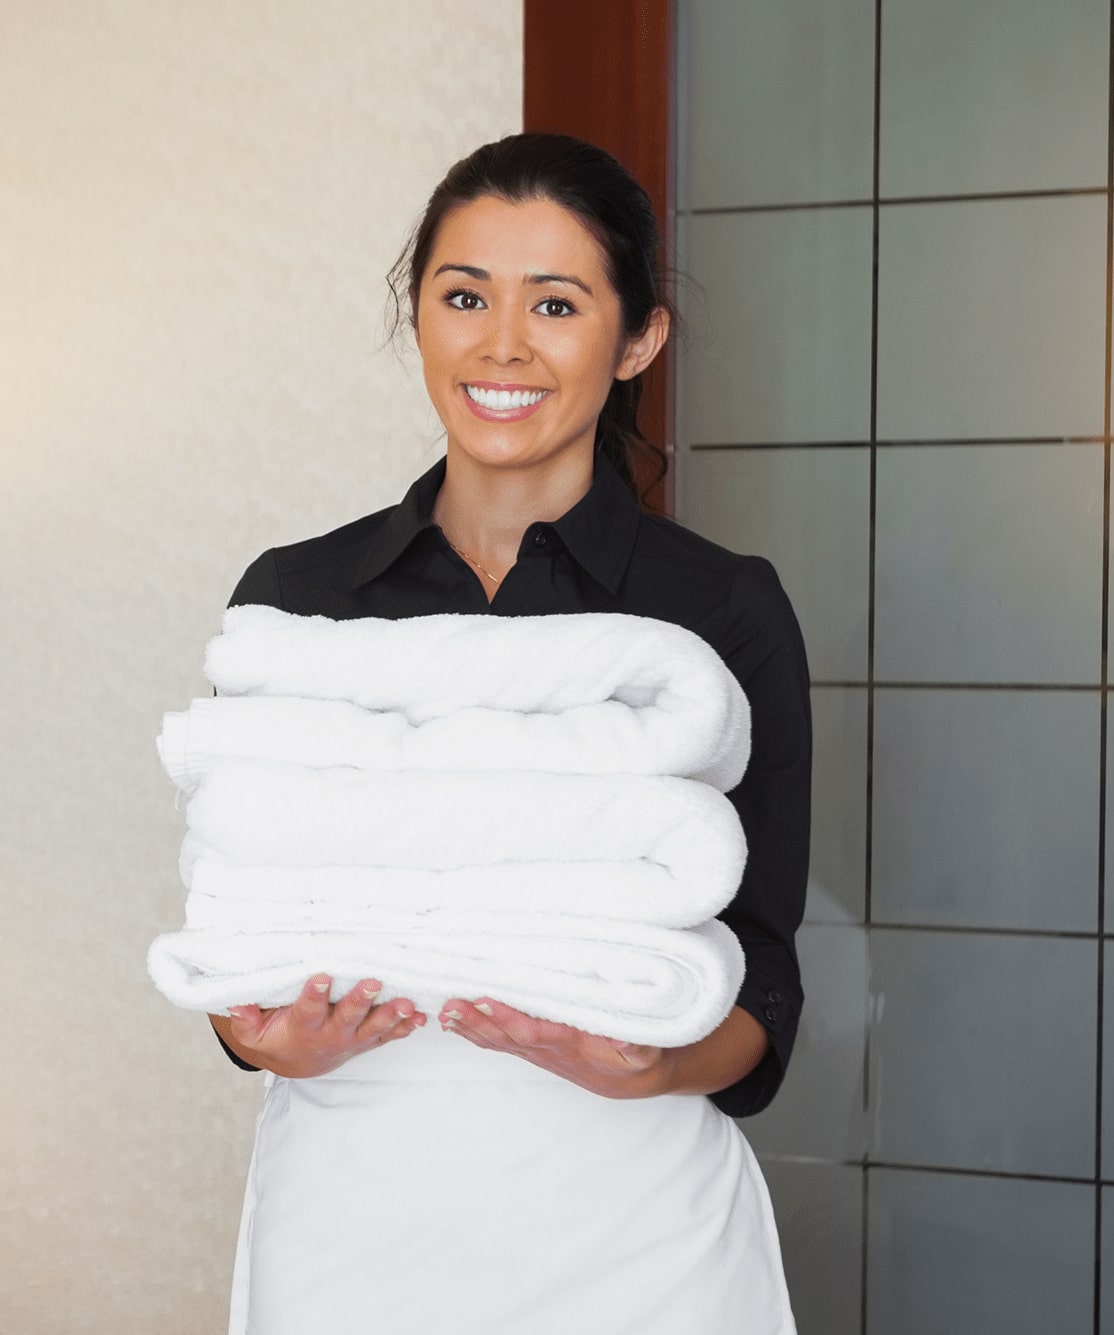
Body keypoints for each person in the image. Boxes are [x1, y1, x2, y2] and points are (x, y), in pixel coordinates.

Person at [201, 131, 812, 1335]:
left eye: (557, 304)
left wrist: (657, 1064)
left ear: (635, 338)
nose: (502, 344)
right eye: (464, 295)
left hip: (634, 1226)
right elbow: (242, 908)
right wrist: (255, 1035)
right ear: (416, 314)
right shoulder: (298, 603)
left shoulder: (716, 607)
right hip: (350, 1218)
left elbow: (765, 973)